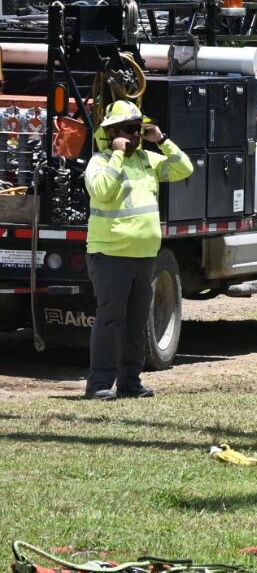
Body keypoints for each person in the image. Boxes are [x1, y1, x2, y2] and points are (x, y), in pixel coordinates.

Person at [81, 99, 194, 400]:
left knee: (136, 322)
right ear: (112, 132)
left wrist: (162, 139)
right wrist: (118, 154)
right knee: (110, 318)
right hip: (110, 255)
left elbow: (185, 168)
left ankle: (130, 382)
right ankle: (100, 384)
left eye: (137, 130)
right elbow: (102, 191)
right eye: (128, 130)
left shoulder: (148, 160)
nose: (133, 136)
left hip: (144, 256)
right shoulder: (100, 161)